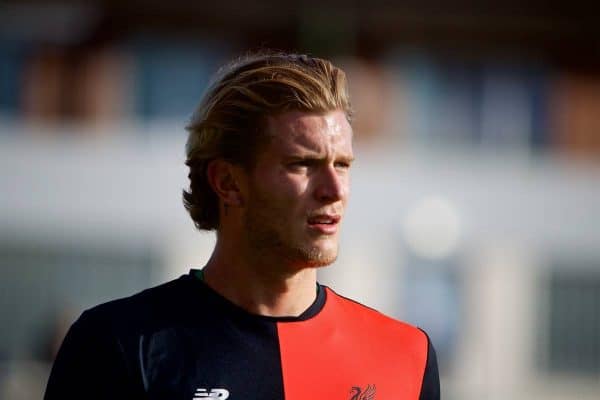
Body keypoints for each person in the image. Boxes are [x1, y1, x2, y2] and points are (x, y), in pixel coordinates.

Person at [44, 51, 440, 400]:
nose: (334, 189)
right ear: (228, 182)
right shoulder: (119, 345)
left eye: (343, 164)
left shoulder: (407, 356)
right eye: (301, 164)